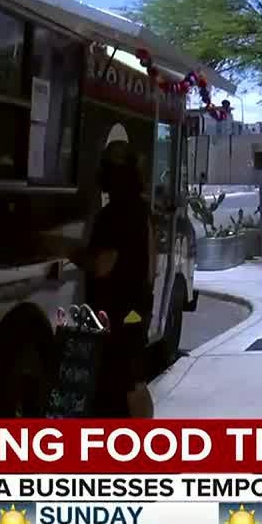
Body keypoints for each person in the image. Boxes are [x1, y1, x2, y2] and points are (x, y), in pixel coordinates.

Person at [68, 139, 155, 418]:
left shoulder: (114, 214)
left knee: (125, 382)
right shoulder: (141, 209)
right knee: (133, 378)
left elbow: (102, 265)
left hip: (119, 314)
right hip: (135, 309)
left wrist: (67, 250)